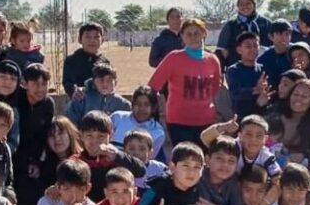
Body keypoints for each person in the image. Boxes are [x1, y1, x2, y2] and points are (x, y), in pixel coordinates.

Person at [148, 18, 222, 148]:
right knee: (183, 157)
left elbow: (215, 88)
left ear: (204, 34)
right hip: (179, 122)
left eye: (197, 33)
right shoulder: (174, 57)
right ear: (182, 36)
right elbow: (153, 85)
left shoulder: (213, 60)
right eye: (188, 34)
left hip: (206, 121)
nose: (193, 37)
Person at [14, 64, 56, 205]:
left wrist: (37, 162)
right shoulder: (15, 101)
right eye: (36, 84)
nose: (40, 89)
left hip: (33, 160)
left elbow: (43, 137)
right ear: (25, 83)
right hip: (14, 155)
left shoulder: (47, 104)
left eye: (44, 84)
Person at [73, 110, 146, 203]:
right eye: (89, 136)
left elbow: (141, 171)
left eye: (101, 136)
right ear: (81, 136)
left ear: (111, 135)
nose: (95, 141)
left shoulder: (117, 158)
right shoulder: (76, 161)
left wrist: (117, 156)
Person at [278, 79, 310, 171]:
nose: (298, 99)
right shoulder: (276, 116)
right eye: (295, 94)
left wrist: (305, 156)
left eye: (304, 96)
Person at [215, 0, 272, 67]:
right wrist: (222, 70)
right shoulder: (230, 25)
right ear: (238, 6)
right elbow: (221, 50)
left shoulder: (266, 23)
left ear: (254, 5)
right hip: (236, 68)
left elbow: (274, 48)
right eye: (241, 4)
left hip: (263, 67)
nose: (245, 6)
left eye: (248, 3)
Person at [110, 85, 165, 160]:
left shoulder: (158, 132)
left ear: (153, 108)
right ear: (132, 105)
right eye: (138, 104)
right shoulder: (117, 118)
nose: (141, 108)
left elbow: (149, 159)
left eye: (146, 105)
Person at [66, 62, 131, 124]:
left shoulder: (123, 105)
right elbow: (70, 122)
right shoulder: (81, 98)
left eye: (109, 80)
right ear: (93, 81)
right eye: (101, 79)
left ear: (115, 83)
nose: (104, 83)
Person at [63, 22, 110, 98]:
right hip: (79, 100)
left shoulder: (105, 62)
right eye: (88, 37)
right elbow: (68, 82)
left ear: (102, 40)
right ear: (80, 39)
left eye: (96, 37)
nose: (92, 40)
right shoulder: (71, 60)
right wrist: (74, 90)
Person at [226, 32, 266, 120]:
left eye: (255, 46)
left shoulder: (263, 68)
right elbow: (235, 93)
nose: (253, 49)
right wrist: (256, 90)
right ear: (239, 50)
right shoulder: (233, 70)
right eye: (248, 46)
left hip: (261, 115)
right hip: (241, 117)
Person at [258, 20, 294, 88]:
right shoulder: (264, 58)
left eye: (287, 34)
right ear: (270, 36)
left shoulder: (298, 51)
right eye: (279, 34)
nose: (284, 38)